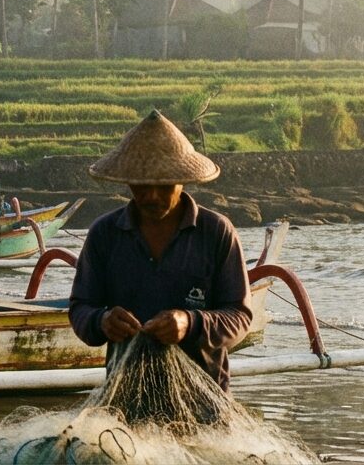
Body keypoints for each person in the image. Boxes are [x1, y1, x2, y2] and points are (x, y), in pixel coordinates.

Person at [69, 110, 253, 391]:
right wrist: (102, 321)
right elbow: (80, 307)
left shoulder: (216, 232)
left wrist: (190, 323)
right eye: (142, 185)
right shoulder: (104, 234)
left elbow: (239, 317)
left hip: (203, 396)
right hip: (127, 393)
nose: (152, 196)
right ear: (128, 181)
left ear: (182, 179)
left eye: (164, 185)